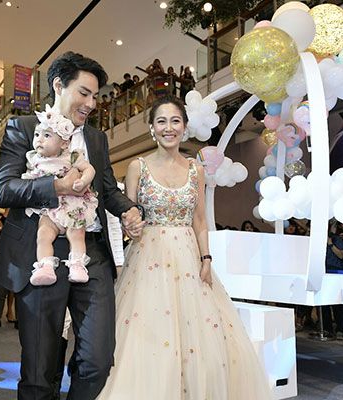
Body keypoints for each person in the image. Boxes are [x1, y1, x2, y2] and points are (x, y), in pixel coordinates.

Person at [0, 51, 143, 399]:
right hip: (41, 250)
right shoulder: (23, 128)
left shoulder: (97, 139)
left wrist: (129, 211)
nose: (91, 104)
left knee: (98, 361)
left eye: (95, 96)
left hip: (91, 252)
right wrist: (56, 187)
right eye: (84, 93)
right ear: (59, 86)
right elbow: (4, 189)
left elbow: (107, 190)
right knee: (39, 370)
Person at [97, 96, 271, 399]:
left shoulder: (195, 169)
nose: (169, 128)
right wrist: (129, 226)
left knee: (198, 335)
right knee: (148, 332)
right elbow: (130, 213)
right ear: (152, 128)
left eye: (175, 121)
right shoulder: (138, 167)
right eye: (161, 121)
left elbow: (200, 220)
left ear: (184, 127)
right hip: (147, 257)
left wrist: (206, 258)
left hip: (189, 258)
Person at [21, 105, 98, 285]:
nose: (39, 140)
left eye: (47, 135)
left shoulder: (71, 156)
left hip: (73, 206)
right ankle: (45, 267)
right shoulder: (34, 158)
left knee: (77, 234)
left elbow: (90, 169)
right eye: (37, 134)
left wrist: (83, 181)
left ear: (64, 143)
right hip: (49, 208)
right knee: (43, 234)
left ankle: (78, 265)